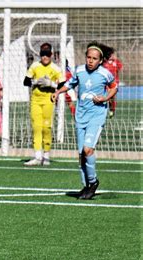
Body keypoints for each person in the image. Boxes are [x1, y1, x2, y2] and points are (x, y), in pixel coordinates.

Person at [52, 42, 117, 200]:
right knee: (81, 154)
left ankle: (94, 182)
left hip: (97, 116)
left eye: (94, 58)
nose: (90, 61)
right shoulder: (79, 70)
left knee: (88, 149)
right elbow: (70, 83)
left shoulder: (105, 74)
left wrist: (105, 98)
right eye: (88, 57)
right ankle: (86, 185)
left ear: (100, 61)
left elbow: (114, 87)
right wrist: (58, 92)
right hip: (81, 116)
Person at [23, 43, 66, 166]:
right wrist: (35, 82)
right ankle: (37, 156)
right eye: (43, 54)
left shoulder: (56, 68)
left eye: (47, 54)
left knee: (46, 128)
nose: (45, 57)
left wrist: (51, 84)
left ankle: (46, 155)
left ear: (51, 55)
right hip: (36, 101)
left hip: (48, 101)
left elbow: (63, 84)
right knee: (36, 127)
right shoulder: (35, 66)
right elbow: (25, 81)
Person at [102, 46, 123, 118]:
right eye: (110, 54)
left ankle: (112, 110)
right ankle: (104, 111)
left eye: (112, 54)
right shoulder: (103, 63)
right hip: (105, 83)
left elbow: (119, 69)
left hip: (114, 82)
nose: (112, 55)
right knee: (105, 97)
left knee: (112, 97)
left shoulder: (116, 62)